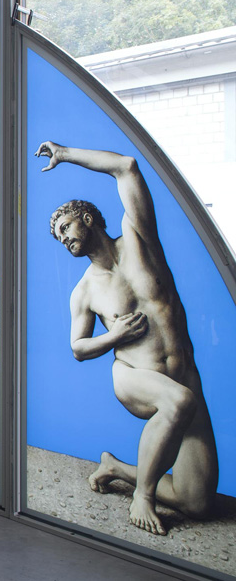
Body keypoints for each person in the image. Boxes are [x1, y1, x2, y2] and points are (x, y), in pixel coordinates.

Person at [36, 140, 219, 536]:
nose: (63, 237)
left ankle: (117, 468)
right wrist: (114, 335)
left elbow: (126, 166)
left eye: (65, 226)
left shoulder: (139, 240)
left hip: (184, 376)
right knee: (179, 401)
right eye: (57, 236)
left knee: (198, 501)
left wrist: (65, 154)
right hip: (133, 376)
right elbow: (78, 348)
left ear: (86, 218)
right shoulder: (84, 291)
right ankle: (144, 496)